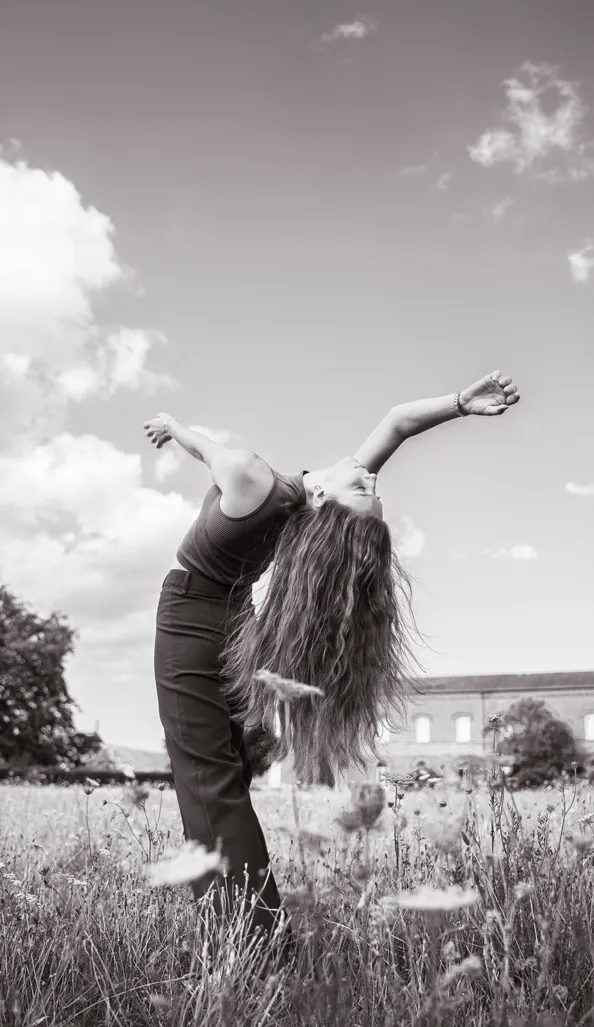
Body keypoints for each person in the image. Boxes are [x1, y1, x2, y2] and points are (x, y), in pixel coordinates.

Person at [145, 368, 520, 957]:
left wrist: (174, 427)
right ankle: (248, 923)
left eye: (365, 487)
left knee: (206, 777)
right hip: (237, 620)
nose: (370, 475)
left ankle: (252, 943)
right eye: (372, 487)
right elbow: (395, 424)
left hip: (192, 617)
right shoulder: (312, 506)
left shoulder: (250, 476)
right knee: (227, 777)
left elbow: (205, 450)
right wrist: (460, 404)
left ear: (323, 500)